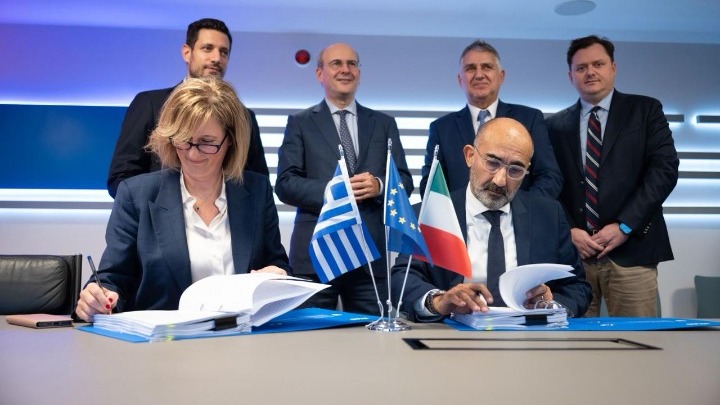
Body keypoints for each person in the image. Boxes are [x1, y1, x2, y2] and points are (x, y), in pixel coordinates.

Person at [76, 77, 290, 322]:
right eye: (183, 140)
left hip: (243, 335)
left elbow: (276, 262)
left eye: (207, 142)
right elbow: (113, 278)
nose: (192, 153)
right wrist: (99, 297)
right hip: (164, 340)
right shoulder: (136, 195)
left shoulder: (257, 191)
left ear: (230, 140)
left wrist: (277, 274)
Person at [392, 118, 591, 322]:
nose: (500, 180)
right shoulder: (431, 213)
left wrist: (550, 305)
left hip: (527, 336)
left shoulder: (548, 216)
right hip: (453, 333)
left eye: (515, 170)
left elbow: (577, 288)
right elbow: (403, 278)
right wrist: (439, 300)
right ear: (470, 156)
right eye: (493, 163)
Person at [275, 43, 413, 315]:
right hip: (317, 254)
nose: (345, 69)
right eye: (336, 63)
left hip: (370, 257)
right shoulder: (300, 123)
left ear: (359, 72)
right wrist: (332, 190)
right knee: (311, 334)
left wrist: (379, 185)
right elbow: (285, 183)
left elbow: (405, 181)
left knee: (374, 335)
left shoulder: (384, 124)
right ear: (319, 73)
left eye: (352, 64)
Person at [546, 35, 678, 317]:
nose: (590, 72)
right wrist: (568, 231)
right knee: (571, 341)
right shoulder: (553, 125)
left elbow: (664, 171)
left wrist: (625, 226)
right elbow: (548, 184)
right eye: (581, 67)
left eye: (598, 64)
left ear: (613, 68)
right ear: (570, 76)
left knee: (638, 340)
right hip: (574, 259)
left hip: (633, 251)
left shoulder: (645, 111)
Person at [107, 18, 268, 198]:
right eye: (207, 48)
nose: (216, 58)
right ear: (187, 53)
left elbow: (258, 185)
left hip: (222, 214)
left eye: (224, 52)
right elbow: (121, 178)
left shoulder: (244, 116)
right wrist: (170, 208)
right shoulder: (150, 103)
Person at [419, 40, 562, 199]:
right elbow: (431, 186)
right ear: (460, 80)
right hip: (459, 214)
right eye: (470, 68)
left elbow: (549, 177)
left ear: (501, 76)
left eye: (487, 67)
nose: (479, 75)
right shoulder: (441, 128)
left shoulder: (530, 119)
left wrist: (520, 208)